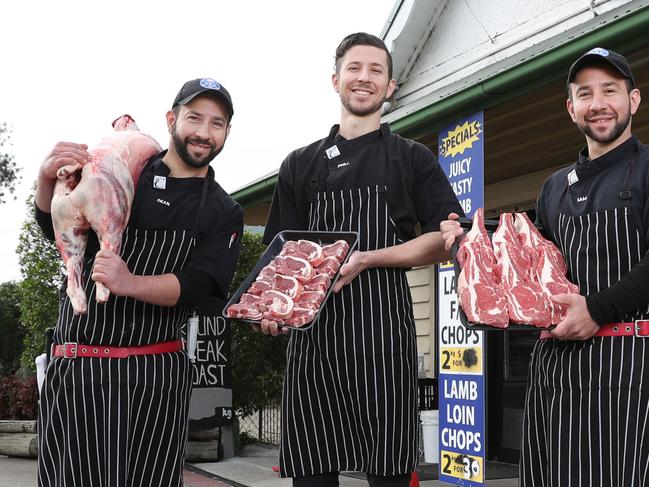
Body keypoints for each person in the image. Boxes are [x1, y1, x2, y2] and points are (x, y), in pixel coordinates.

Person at [261, 32, 463, 487]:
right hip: (313, 346)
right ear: (335, 80)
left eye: (377, 71)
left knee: (389, 472)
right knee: (313, 474)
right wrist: (269, 312)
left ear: (390, 87)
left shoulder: (412, 159)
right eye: (355, 68)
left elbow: (442, 238)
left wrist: (369, 258)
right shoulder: (300, 164)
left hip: (383, 341)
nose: (364, 78)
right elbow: (278, 256)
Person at [440, 47, 649, 486]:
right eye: (584, 94)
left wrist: (598, 309)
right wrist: (470, 248)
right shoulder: (554, 188)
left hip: (630, 366)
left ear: (633, 100)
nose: (598, 104)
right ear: (571, 108)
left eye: (610, 90)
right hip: (554, 370)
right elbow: (527, 274)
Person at [34, 78, 243, 487]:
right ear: (171, 119)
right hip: (79, 368)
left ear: (226, 133)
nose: (203, 131)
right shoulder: (120, 168)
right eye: (194, 117)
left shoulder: (223, 211)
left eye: (217, 123)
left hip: (154, 377)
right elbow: (55, 225)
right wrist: (46, 180)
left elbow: (200, 285)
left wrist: (129, 282)